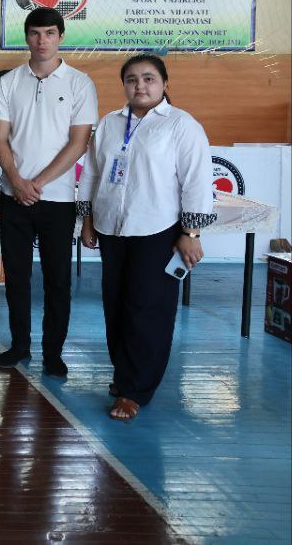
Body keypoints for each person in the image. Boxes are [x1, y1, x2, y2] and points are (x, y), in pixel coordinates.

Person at [79, 55, 213, 422]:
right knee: (116, 307)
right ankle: (124, 375)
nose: (140, 86)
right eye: (132, 79)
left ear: (165, 84)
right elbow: (92, 175)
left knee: (147, 311)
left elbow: (198, 183)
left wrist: (190, 232)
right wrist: (87, 221)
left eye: (149, 79)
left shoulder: (181, 126)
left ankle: (136, 390)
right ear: (124, 85)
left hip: (158, 231)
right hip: (111, 230)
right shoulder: (109, 124)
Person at [0, 8, 97, 375]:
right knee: (17, 277)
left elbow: (78, 142)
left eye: (50, 33)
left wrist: (38, 182)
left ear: (61, 36)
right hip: (13, 195)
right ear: (27, 37)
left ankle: (54, 353)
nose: (42, 40)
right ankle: (19, 345)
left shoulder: (80, 83)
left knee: (57, 281)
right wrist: (17, 181)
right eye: (35, 33)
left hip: (58, 199)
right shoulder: (9, 82)